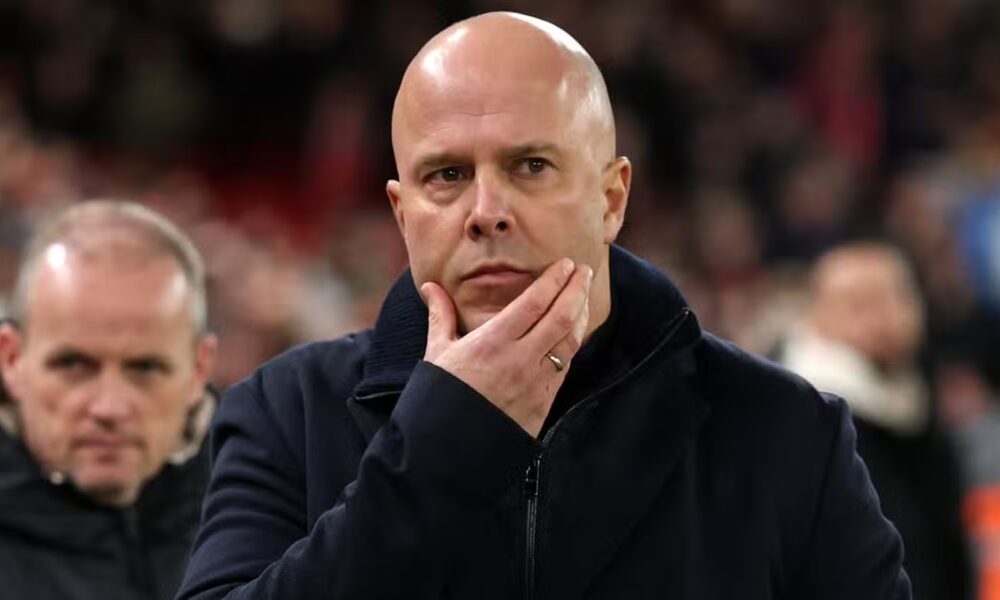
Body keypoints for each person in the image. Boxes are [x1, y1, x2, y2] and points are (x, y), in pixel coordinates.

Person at [178, 12, 911, 599]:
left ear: (611, 198)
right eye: (446, 174)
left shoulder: (787, 434)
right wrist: (441, 448)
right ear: (402, 215)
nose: (485, 210)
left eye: (530, 166)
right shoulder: (285, 413)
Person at [0, 201, 218, 600]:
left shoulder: (266, 526)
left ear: (199, 369)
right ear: (11, 359)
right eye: (73, 364)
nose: (109, 408)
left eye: (146, 368)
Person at [777, 242, 974, 600]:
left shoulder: (918, 394)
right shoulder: (798, 415)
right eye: (859, 304)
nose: (884, 317)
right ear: (818, 314)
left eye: (896, 297)